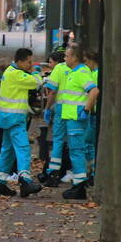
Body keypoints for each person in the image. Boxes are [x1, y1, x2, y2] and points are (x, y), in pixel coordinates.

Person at [0, 47, 43, 198]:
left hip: (7, 117)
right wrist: (36, 71)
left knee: (7, 150)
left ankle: (0, 183)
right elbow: (36, 83)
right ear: (19, 61)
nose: (30, 64)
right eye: (28, 62)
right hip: (15, 119)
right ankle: (25, 181)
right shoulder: (17, 75)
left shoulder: (10, 71)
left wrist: (32, 70)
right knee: (23, 149)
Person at [56, 43, 100, 199]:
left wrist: (86, 109)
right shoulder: (74, 72)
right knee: (76, 151)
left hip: (76, 118)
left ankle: (79, 186)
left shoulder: (81, 72)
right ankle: (78, 183)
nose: (64, 58)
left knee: (77, 151)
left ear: (74, 58)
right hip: (72, 117)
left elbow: (94, 90)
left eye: (67, 56)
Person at [38, 51, 70, 186]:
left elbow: (52, 91)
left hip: (61, 109)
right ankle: (74, 173)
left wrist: (47, 108)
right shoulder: (81, 68)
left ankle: (53, 173)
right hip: (78, 111)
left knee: (57, 142)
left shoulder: (60, 68)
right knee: (75, 144)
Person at [82, 48, 101, 183]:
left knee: (89, 144)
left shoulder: (94, 74)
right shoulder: (98, 73)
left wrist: (88, 109)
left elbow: (93, 93)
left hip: (93, 113)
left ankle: (93, 172)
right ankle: (93, 171)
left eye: (85, 61)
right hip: (95, 113)